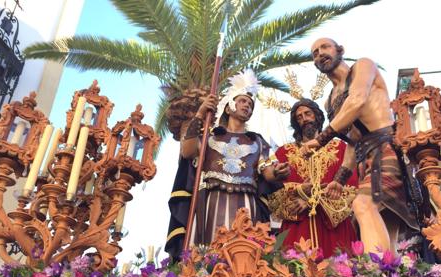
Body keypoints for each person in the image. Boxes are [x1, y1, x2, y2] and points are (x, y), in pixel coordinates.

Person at [301, 38, 419, 253]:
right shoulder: (330, 102)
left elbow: (357, 100)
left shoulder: (363, 67)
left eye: (324, 47)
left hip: (387, 147)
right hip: (366, 158)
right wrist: (340, 179)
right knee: (384, 222)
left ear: (340, 50)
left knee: (363, 205)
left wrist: (321, 139)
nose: (320, 54)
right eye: (315, 53)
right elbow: (354, 140)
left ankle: (376, 272)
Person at [165, 70, 289, 257]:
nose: (247, 105)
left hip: (247, 202)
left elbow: (267, 172)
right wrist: (199, 113)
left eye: (250, 104)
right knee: (209, 254)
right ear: (229, 106)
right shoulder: (209, 136)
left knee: (245, 254)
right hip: (211, 200)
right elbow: (188, 151)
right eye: (242, 101)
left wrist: (278, 172)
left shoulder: (257, 141)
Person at [269, 99, 357, 257]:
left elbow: (351, 188)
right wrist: (299, 190)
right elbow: (273, 195)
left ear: (317, 116)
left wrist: (311, 200)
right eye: (299, 117)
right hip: (297, 228)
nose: (304, 119)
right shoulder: (284, 153)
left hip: (333, 228)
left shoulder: (340, 148)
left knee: (338, 276)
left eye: (307, 114)